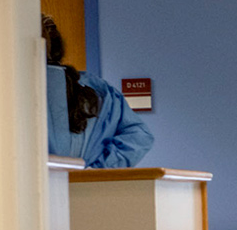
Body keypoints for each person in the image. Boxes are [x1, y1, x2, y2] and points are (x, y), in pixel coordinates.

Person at [42, 14, 154, 168]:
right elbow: (140, 137)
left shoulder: (12, 90)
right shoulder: (99, 90)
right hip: (88, 186)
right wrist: (98, 171)